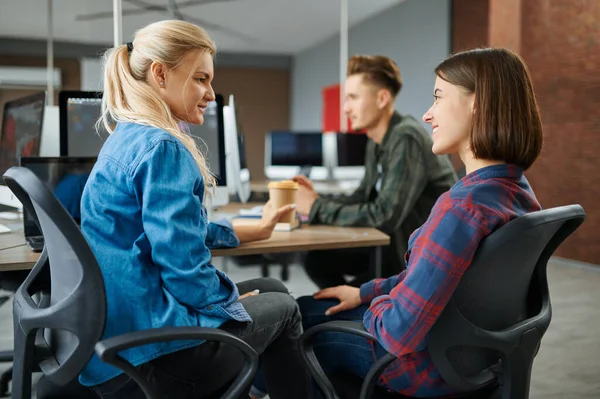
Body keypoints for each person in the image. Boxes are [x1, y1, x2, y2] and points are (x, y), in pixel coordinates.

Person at [77, 20, 309, 399]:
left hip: (117, 346)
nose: (211, 94)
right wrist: (227, 303)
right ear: (160, 74)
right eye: (201, 79)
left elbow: (170, 230)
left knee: (269, 287)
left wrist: (243, 231)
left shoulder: (127, 137)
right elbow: (183, 270)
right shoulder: (163, 147)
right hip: (157, 359)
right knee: (286, 309)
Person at [297, 47, 544, 397]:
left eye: (438, 97)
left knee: (296, 321)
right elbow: (440, 273)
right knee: (319, 305)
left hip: (422, 365)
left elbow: (397, 333)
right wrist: (365, 292)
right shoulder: (516, 190)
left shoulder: (461, 208)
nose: (427, 114)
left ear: (480, 102)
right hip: (473, 356)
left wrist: (378, 304)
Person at [294, 55, 457, 289]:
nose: (345, 108)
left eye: (353, 98)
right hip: (390, 245)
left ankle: (363, 307)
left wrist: (316, 208)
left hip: (414, 258)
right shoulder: (376, 139)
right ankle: (352, 307)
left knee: (319, 262)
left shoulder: (405, 136)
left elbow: (385, 216)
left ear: (382, 98)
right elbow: (362, 196)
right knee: (317, 258)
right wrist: (316, 200)